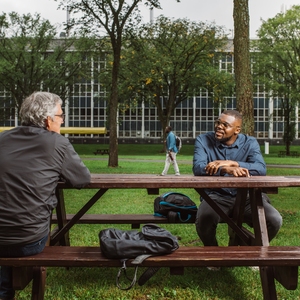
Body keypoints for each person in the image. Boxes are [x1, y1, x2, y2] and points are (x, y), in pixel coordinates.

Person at [0, 92, 91, 300]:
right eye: (60, 115)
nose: (63, 120)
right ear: (47, 120)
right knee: (25, 227)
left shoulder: (2, 138)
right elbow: (81, 179)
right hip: (29, 241)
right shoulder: (57, 143)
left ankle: (5, 292)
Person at [193, 110, 282, 248]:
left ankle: (253, 252)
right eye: (218, 122)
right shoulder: (203, 140)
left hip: (247, 197)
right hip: (216, 196)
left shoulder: (250, 142)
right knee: (204, 218)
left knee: (274, 220)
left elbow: (260, 169)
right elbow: (199, 168)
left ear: (237, 130)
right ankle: (213, 253)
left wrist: (233, 163)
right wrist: (224, 169)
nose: (219, 126)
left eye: (225, 124)